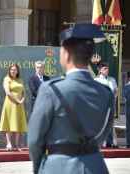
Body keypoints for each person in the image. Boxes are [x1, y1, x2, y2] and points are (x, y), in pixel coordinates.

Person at [28, 24, 114, 174]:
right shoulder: (106, 92)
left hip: (58, 167)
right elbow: (103, 134)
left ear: (66, 54)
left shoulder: (51, 89)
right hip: (95, 165)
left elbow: (35, 140)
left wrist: (38, 168)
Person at [0, 64, 27, 151]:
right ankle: (9, 143)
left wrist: (22, 100)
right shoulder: (6, 79)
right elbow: (8, 92)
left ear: (17, 71)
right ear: (9, 71)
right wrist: (17, 101)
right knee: (9, 122)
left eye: (15, 70)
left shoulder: (20, 80)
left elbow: (24, 92)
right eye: (12, 70)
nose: (13, 71)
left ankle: (17, 145)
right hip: (10, 104)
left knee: (17, 123)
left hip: (19, 105)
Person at [94, 62, 118, 148]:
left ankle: (109, 142)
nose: (107, 70)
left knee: (110, 124)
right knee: (101, 124)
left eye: (107, 68)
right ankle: (100, 143)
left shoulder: (112, 79)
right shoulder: (96, 80)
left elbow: (115, 91)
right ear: (100, 70)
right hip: (101, 105)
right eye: (105, 69)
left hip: (111, 104)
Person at [124, 72, 130, 148]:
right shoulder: (126, 86)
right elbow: (126, 97)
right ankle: (128, 143)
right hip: (128, 108)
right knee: (128, 126)